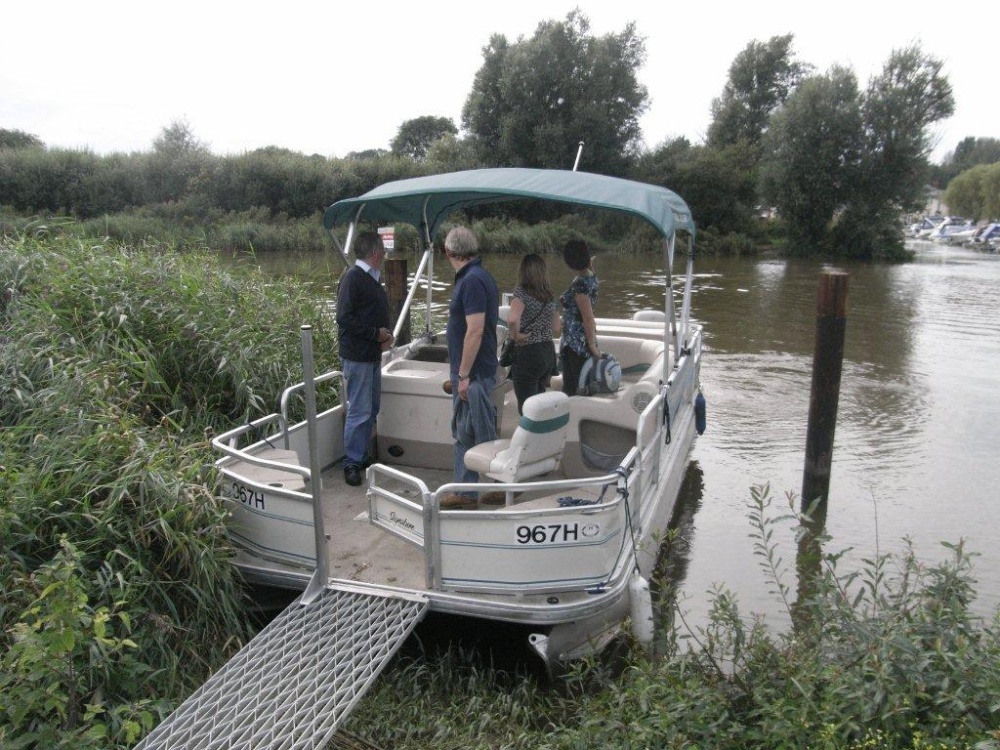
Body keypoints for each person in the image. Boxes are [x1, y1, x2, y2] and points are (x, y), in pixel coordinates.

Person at [440, 226, 501, 510]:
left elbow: (474, 331)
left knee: (466, 431)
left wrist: (462, 375)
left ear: (449, 252)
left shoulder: (472, 281)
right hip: (477, 368)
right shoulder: (480, 276)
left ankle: (466, 494)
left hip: (473, 372)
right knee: (472, 428)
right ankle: (481, 488)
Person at [336, 231, 394, 487]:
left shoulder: (370, 278)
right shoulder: (353, 278)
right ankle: (351, 462)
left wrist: (385, 334)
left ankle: (361, 457)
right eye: (382, 250)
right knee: (359, 410)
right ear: (374, 253)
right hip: (359, 356)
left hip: (371, 354)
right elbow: (344, 318)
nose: (384, 254)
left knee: (371, 407)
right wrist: (375, 334)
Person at [506, 253, 560, 414]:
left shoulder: (521, 293)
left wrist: (516, 336)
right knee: (539, 404)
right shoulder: (550, 296)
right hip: (547, 353)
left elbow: (512, 319)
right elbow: (556, 327)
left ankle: (528, 438)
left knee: (526, 408)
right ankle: (541, 437)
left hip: (528, 353)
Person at [558, 239, 600, 397]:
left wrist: (592, 345)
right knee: (581, 384)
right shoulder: (590, 277)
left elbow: (587, 317)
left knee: (571, 387)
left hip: (577, 345)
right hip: (581, 341)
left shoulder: (579, 286)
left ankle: (569, 418)